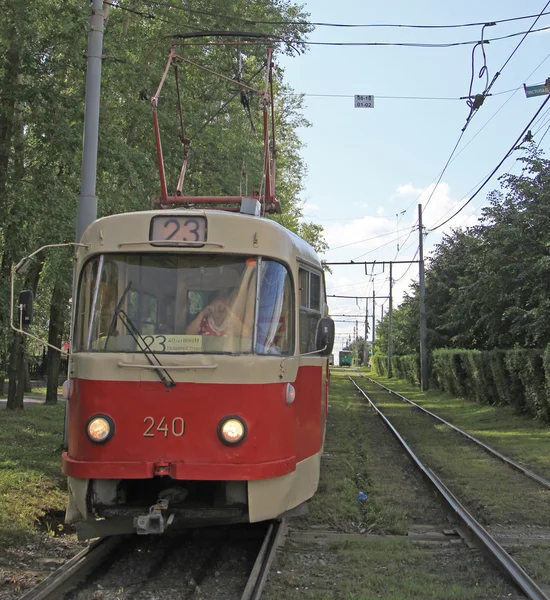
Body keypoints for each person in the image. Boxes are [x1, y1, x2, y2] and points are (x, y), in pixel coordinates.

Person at [186, 290, 250, 337]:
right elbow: (188, 334)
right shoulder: (204, 320)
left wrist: (229, 312)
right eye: (216, 301)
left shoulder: (232, 321)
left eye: (223, 301)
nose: (219, 305)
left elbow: (247, 335)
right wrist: (202, 313)